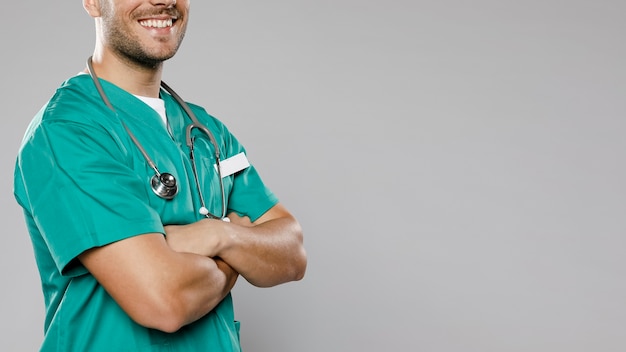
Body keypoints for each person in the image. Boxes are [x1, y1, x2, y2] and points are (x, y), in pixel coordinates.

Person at [13, 0, 307, 350]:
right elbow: (165, 301)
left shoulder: (207, 132)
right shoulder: (67, 132)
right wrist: (241, 253)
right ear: (92, 2)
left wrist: (218, 236)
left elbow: (291, 253)